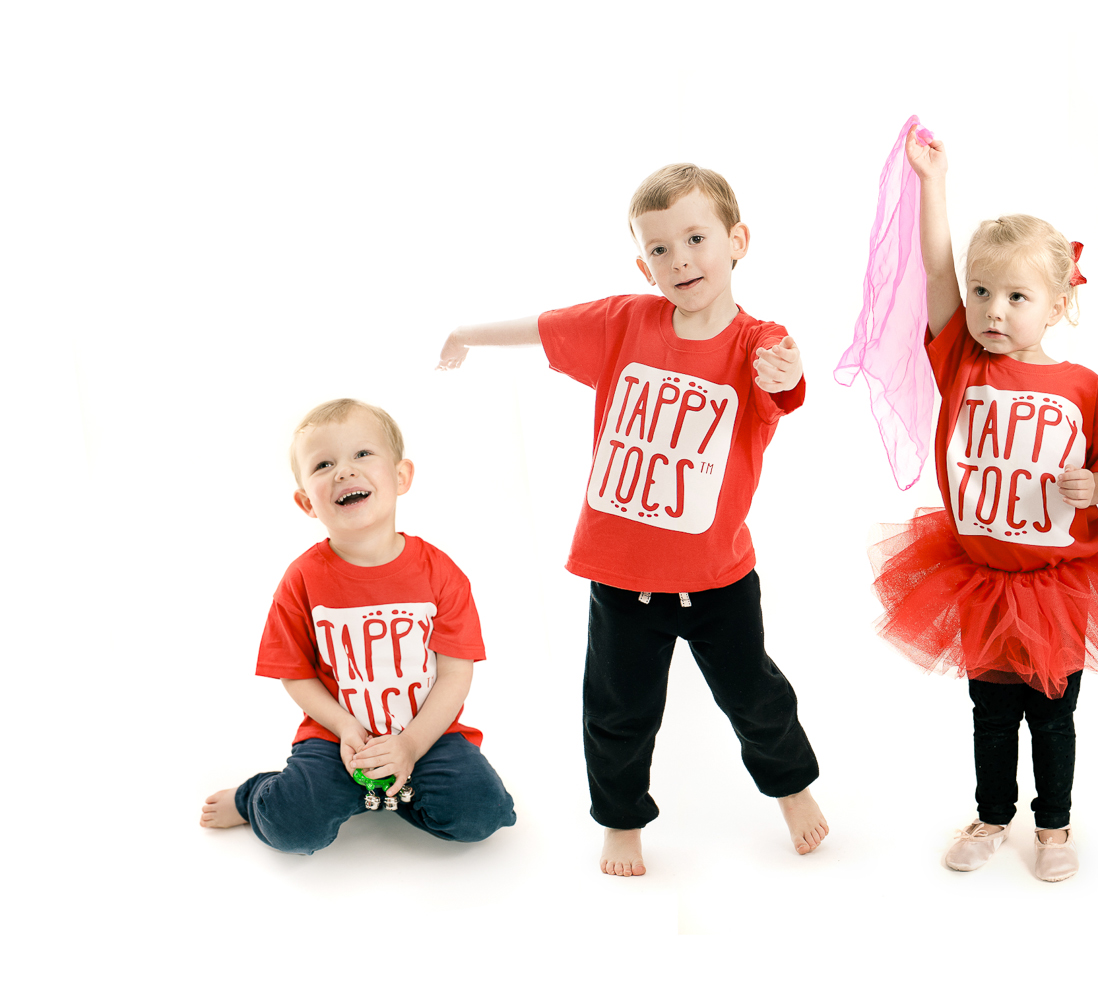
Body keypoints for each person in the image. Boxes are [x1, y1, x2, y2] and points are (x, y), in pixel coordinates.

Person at [437, 164, 827, 876]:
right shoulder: (627, 321)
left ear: (737, 241)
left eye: (695, 238)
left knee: (756, 696)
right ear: (643, 264)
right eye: (658, 248)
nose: (679, 259)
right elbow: (544, 325)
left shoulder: (756, 342)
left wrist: (785, 373)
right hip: (622, 581)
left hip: (718, 580)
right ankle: (621, 822)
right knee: (616, 712)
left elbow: (787, 376)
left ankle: (791, 788)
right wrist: (467, 332)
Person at [870, 130, 1098, 882]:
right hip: (978, 573)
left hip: (1056, 581)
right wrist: (933, 184)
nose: (992, 310)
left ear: (1059, 305)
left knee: (1055, 712)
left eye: (1015, 296)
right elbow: (935, 270)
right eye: (982, 292)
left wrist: (1094, 486)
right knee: (990, 711)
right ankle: (992, 814)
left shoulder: (1082, 385)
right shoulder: (961, 360)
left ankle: (1055, 827)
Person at [199, 399, 516, 852]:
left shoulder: (441, 572)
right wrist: (346, 728)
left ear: (401, 476)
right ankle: (255, 796)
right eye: (324, 464)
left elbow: (455, 673)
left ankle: (394, 791)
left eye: (362, 455)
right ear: (307, 501)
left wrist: (409, 746)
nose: (345, 472)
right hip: (336, 739)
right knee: (292, 827)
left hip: (428, 734)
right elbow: (295, 672)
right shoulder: (302, 579)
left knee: (483, 812)